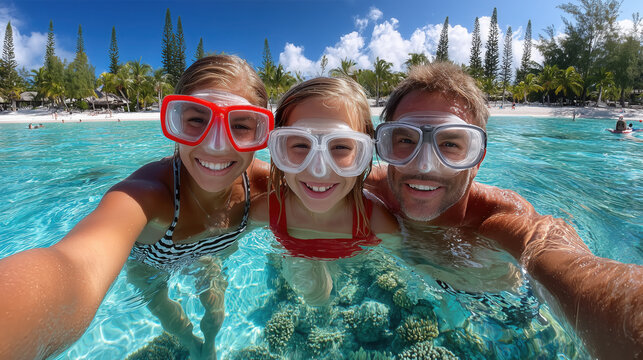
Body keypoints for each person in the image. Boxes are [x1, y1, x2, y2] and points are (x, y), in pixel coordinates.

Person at [0, 55, 274, 360]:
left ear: (261, 134)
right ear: (175, 122)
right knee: (167, 313)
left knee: (215, 312)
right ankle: (191, 344)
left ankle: (209, 344)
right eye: (197, 120)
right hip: (150, 266)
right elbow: (75, 266)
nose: (217, 144)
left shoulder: (264, 185)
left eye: (241, 125)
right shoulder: (147, 196)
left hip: (212, 253)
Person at [365, 62, 642, 360]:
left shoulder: (502, 220)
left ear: (477, 161)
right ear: (385, 148)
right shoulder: (376, 187)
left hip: (508, 307)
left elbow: (577, 270)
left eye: (450, 144)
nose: (424, 165)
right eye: (405, 140)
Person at [251, 77, 398, 305]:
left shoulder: (375, 220)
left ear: (364, 154)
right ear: (277, 150)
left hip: (353, 272)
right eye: (300, 145)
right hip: (295, 266)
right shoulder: (266, 210)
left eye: (340, 147)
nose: (318, 170)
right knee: (315, 294)